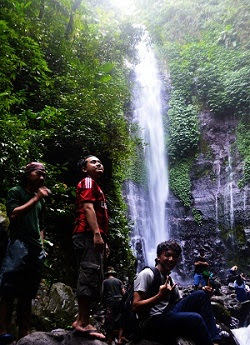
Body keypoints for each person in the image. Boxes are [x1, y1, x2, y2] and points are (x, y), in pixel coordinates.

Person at [133, 240, 221, 345]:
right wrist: (159, 296)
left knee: (201, 295)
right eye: (167, 255)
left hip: (167, 313)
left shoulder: (169, 279)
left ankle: (215, 341)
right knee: (195, 318)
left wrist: (206, 294)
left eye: (175, 257)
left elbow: (179, 302)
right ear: (158, 257)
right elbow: (135, 306)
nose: (171, 259)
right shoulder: (147, 274)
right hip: (151, 321)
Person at [0, 162, 50, 342]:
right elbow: (13, 214)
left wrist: (42, 246)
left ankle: (24, 334)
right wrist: (35, 198)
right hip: (18, 244)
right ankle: (3, 330)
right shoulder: (16, 192)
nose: (42, 177)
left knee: (28, 293)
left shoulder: (40, 200)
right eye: (39, 173)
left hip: (36, 248)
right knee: (8, 288)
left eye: (44, 174)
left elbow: (41, 225)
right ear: (28, 174)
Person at [72, 155, 108, 340]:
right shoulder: (87, 181)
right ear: (84, 169)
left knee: (92, 274)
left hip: (90, 234)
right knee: (88, 273)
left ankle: (81, 319)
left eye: (99, 162)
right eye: (93, 162)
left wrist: (101, 237)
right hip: (86, 234)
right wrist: (96, 234)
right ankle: (83, 323)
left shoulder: (95, 185)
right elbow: (88, 208)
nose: (98, 164)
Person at [102, 267, 126, 345]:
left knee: (109, 320)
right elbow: (124, 293)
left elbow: (102, 293)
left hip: (110, 302)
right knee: (121, 319)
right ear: (114, 274)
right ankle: (119, 339)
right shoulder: (119, 281)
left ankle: (109, 340)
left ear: (107, 274)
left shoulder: (105, 282)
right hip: (119, 301)